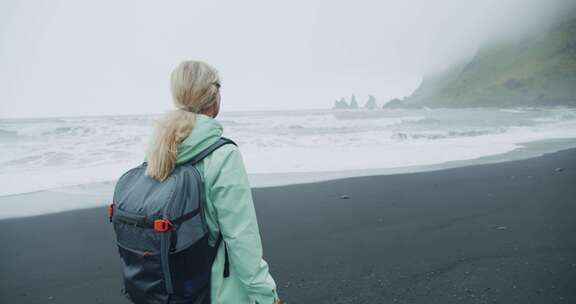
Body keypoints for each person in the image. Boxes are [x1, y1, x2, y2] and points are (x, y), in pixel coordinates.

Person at [145, 60, 281, 304]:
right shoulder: (222, 155)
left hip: (169, 287)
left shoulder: (158, 149)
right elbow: (241, 237)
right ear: (213, 95)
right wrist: (265, 294)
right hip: (218, 292)